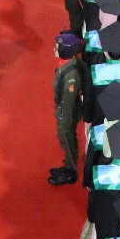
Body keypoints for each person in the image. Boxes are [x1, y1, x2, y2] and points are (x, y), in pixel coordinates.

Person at [49, 32, 85, 186]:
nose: (54, 49)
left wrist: (65, 120)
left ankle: (70, 171)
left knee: (67, 138)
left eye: (57, 46)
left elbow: (68, 100)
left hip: (67, 113)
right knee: (65, 139)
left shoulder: (71, 75)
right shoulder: (67, 65)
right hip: (65, 110)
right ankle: (68, 164)